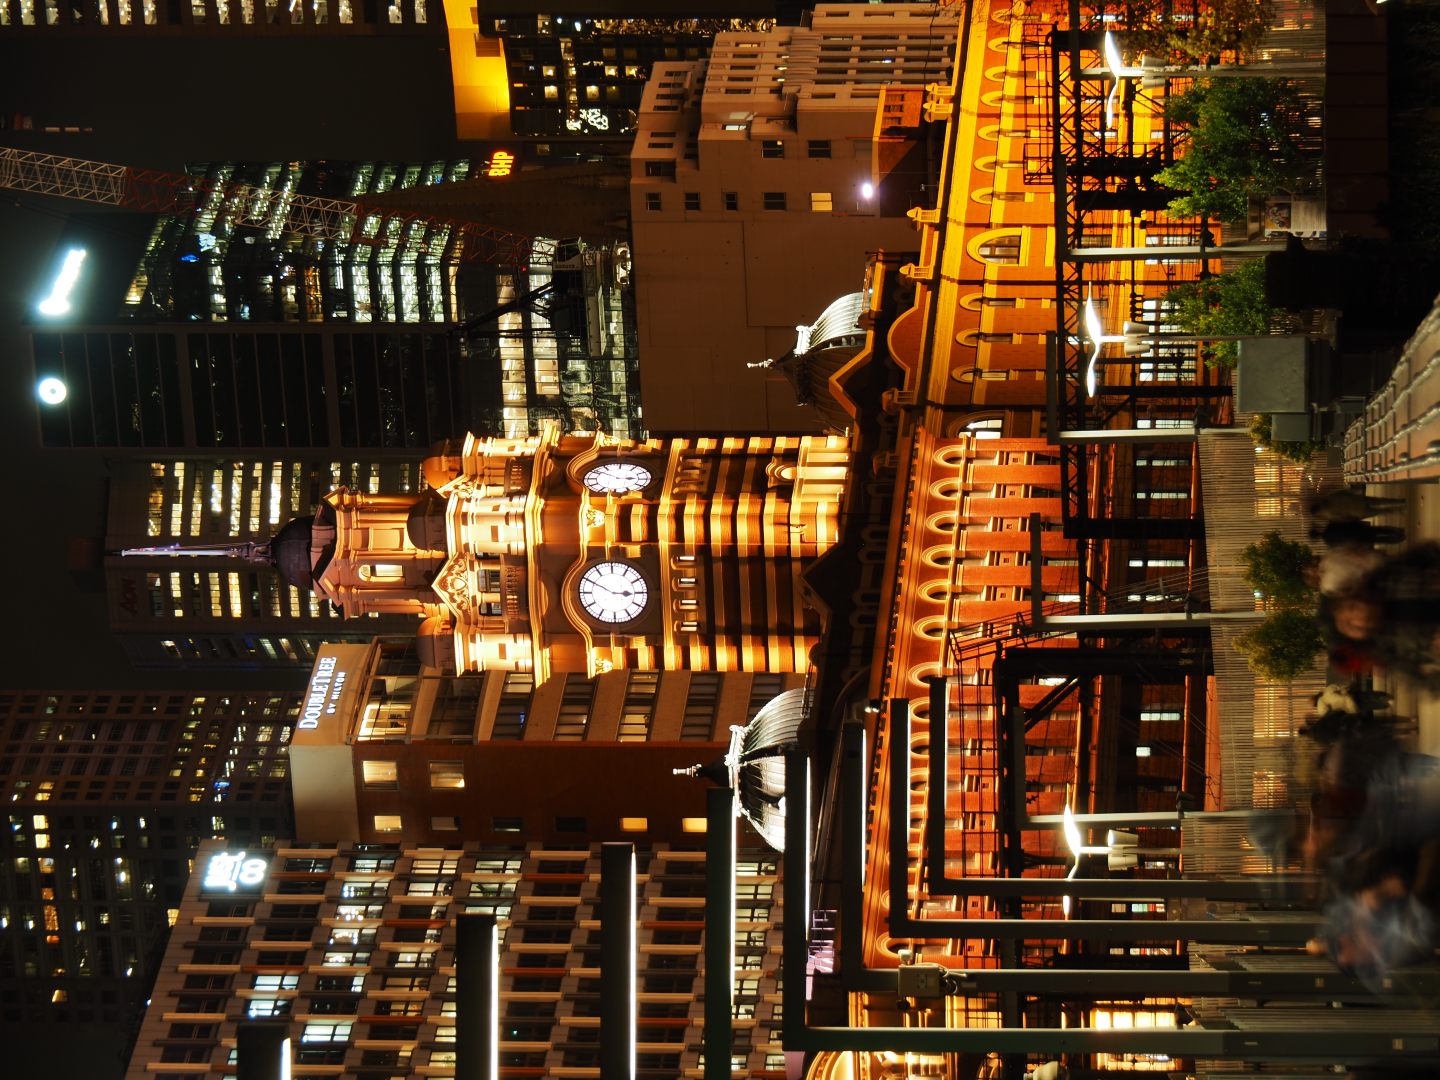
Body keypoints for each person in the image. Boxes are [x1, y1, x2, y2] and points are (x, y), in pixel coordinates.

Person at [1307, 489, 1408, 523]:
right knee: (1379, 501)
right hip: (1358, 500)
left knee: (1380, 512)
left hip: (1358, 512)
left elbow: (1344, 519)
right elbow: (1343, 493)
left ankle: (1398, 511)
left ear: (1318, 513)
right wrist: (1354, 493)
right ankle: (1399, 502)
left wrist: (1354, 518)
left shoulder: (1330, 515)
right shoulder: (1329, 497)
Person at [1311, 520, 1406, 547]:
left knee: (1379, 540)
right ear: (1317, 530)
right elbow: (1345, 523)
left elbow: (1343, 546)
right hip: (1357, 530)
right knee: (1379, 530)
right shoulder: (1330, 526)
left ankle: (1398, 539)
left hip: (1357, 541)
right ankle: (1397, 531)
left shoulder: (1329, 543)